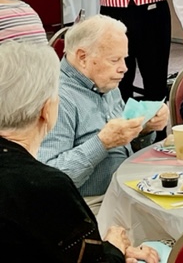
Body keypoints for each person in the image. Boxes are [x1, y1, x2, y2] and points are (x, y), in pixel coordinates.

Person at [0, 39, 159, 262]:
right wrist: (113, 248)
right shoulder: (45, 185)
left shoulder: (109, 87)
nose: (123, 67)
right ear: (47, 109)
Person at [38, 15, 169, 213]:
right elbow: (50, 179)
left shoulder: (105, 82)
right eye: (115, 59)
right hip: (86, 204)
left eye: (124, 58)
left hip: (125, 187)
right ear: (83, 58)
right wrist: (102, 143)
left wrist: (144, 130)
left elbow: (125, 146)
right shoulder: (57, 98)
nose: (124, 68)